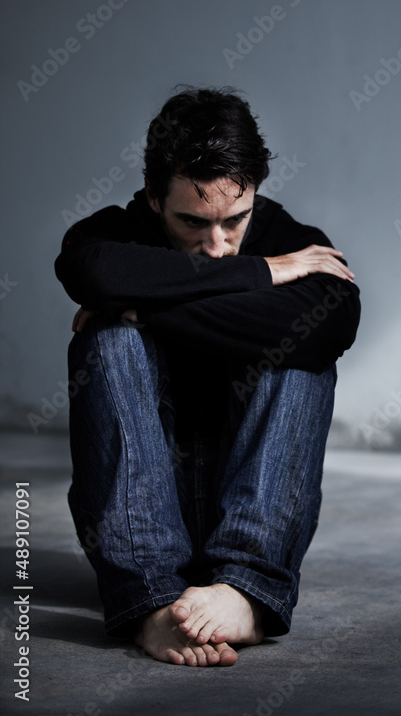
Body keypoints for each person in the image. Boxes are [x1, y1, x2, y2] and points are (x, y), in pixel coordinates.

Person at [54, 86, 361, 667]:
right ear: (153, 199)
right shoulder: (116, 234)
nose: (217, 247)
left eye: (235, 222)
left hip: (247, 503)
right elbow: (90, 271)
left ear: (254, 195)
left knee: (302, 349)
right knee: (108, 337)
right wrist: (262, 275)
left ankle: (246, 588)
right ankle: (150, 602)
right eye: (192, 223)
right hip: (141, 509)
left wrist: (147, 306)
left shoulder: (291, 239)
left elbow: (333, 320)